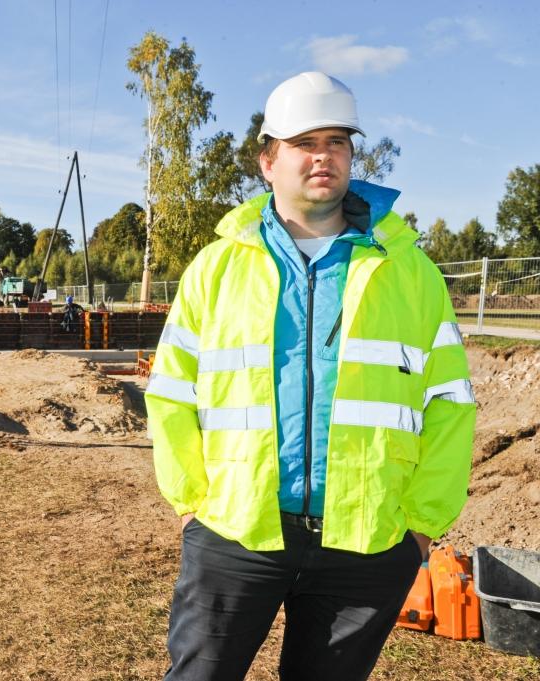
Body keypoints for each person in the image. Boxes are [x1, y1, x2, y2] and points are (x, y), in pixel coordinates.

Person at [145, 71, 475, 681]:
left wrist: (422, 527)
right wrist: (193, 505)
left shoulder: (410, 272)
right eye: (304, 143)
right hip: (235, 530)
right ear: (267, 162)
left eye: (337, 141)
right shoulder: (216, 269)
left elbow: (451, 402)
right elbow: (170, 391)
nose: (323, 156)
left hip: (366, 541)